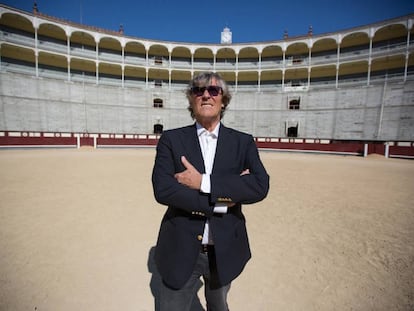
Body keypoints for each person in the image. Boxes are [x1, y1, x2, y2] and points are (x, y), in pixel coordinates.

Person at [151, 71, 269, 311]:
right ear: (191, 99)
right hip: (180, 248)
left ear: (223, 99)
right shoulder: (171, 140)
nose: (206, 95)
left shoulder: (243, 142)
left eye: (213, 90)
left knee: (219, 305)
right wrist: (225, 199)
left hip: (225, 248)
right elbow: (163, 190)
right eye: (198, 91)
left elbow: (259, 185)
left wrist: (203, 182)